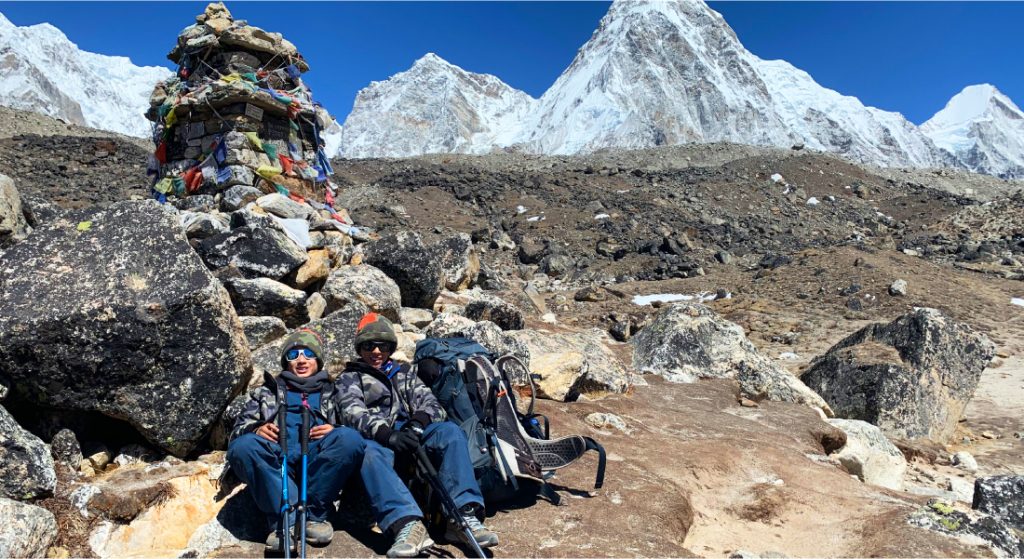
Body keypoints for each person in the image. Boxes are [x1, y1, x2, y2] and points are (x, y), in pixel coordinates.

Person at [337, 313, 500, 555]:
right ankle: (407, 525)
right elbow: (352, 412)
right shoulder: (348, 377)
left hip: (412, 435)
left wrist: (416, 424)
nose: (376, 351)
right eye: (369, 345)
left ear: (391, 348)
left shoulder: (403, 372)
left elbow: (432, 404)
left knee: (449, 432)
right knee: (369, 452)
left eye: (383, 345)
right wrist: (388, 435)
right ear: (360, 348)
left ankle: (463, 515)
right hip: (379, 443)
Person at [226, 328, 364, 551]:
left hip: (318, 463)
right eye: (293, 355)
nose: (301, 360)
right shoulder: (267, 391)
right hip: (277, 463)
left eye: (308, 354)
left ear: (318, 360)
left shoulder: (335, 390)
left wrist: (335, 429)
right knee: (243, 446)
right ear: (285, 362)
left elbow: (357, 425)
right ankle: (284, 521)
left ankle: (315, 515)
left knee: (349, 439)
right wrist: (256, 429)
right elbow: (236, 432)